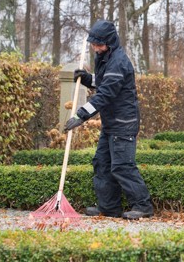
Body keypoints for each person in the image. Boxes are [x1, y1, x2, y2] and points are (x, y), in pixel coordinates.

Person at [64, 19, 154, 220]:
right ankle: (109, 207)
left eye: (99, 44)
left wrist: (81, 115)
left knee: (122, 166)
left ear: (110, 42)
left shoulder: (119, 61)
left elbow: (105, 93)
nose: (95, 48)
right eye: (94, 44)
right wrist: (87, 78)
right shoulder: (105, 57)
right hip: (111, 123)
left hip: (123, 124)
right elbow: (102, 80)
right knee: (101, 162)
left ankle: (142, 206)